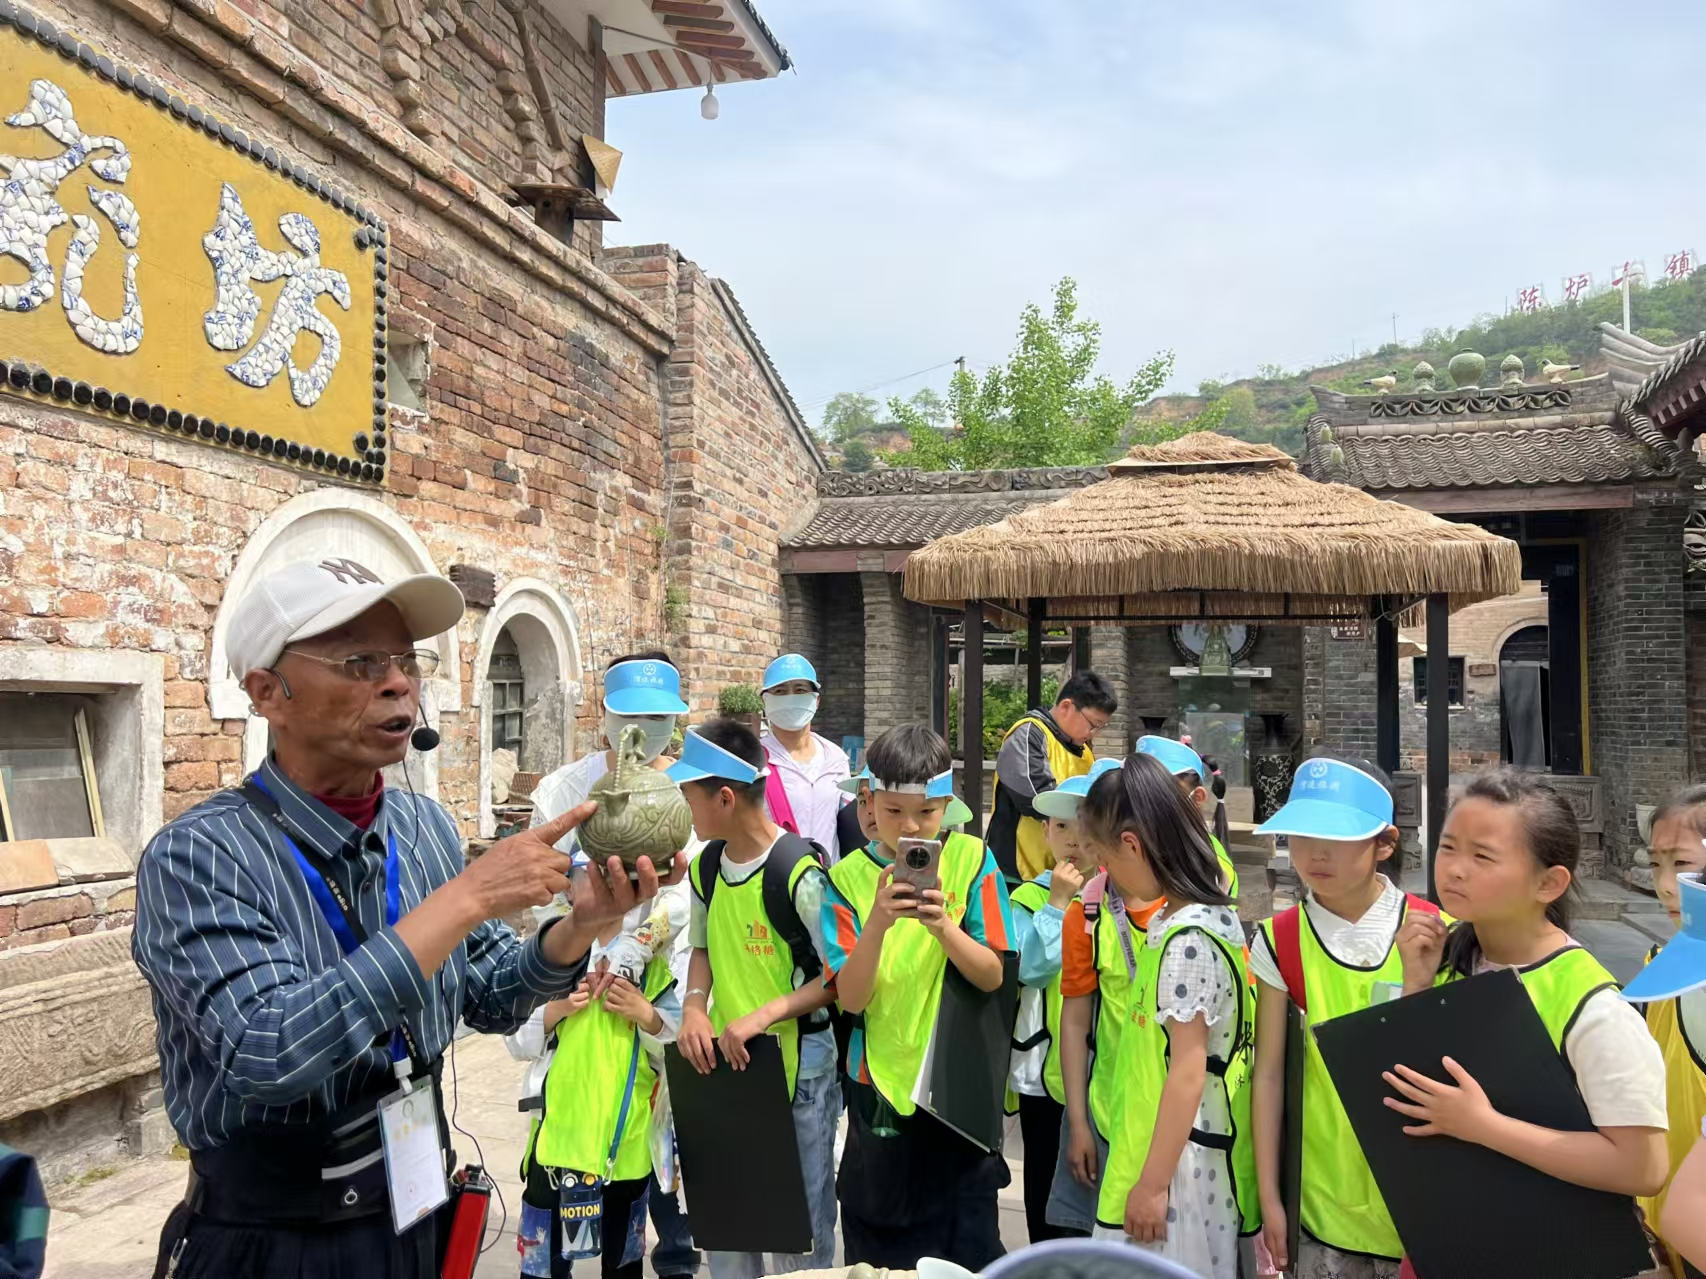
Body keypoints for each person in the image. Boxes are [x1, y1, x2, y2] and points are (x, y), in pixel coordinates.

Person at [132, 558, 683, 1278]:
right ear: (268, 692)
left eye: (406, 661)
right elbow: (267, 1051)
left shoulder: (421, 827)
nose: (398, 683)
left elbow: (489, 992)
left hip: (418, 1210)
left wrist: (580, 925)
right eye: (360, 662)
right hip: (274, 1238)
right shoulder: (201, 855)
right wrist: (468, 897)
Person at [1391, 769, 1667, 1265]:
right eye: (1448, 847)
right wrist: (1417, 988)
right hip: (1452, 1239)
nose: (1454, 869)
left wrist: (1485, 1127)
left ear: (1549, 883)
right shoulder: (1446, 955)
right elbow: (1413, 1093)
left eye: (1482, 856)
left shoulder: (1594, 1006)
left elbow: (1643, 1168)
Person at [525, 649, 699, 1278]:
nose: (644, 729)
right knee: (572, 1135)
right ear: (605, 713)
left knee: (655, 1155)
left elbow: (691, 897)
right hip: (577, 977)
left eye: (658, 716)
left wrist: (641, 948)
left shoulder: (689, 791)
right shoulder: (562, 792)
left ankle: (669, 1257)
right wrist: (585, 937)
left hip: (653, 988)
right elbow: (543, 891)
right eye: (632, 715)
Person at [822, 724, 1016, 1270]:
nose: (910, 827)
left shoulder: (973, 860)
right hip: (878, 1090)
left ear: (948, 805)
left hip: (956, 1092)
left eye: (926, 812)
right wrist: (877, 924)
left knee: (967, 1248)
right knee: (880, 1252)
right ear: (868, 802)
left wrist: (944, 927)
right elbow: (851, 999)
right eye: (893, 811)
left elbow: (992, 975)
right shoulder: (845, 879)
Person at [672, 720, 841, 1278]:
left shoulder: (799, 874)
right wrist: (694, 1006)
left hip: (798, 1077)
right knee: (730, 1226)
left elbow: (840, 977)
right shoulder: (707, 868)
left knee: (799, 1240)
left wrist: (765, 1015)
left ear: (724, 798)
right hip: (729, 1068)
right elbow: (702, 947)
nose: (686, 811)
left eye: (689, 797)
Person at [1247, 754, 1425, 1279]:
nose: (1315, 854)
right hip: (1321, 1206)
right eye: (1302, 835)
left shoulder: (1436, 933)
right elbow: (1268, 1074)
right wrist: (1270, 1197)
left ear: (1384, 843)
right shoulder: (1279, 940)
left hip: (1421, 1212)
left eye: (1336, 838)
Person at [1081, 755, 1255, 1276]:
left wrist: (1154, 1185)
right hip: (1172, 1161)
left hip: (1178, 1179)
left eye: (1105, 860)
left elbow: (1187, 1070)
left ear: (1132, 845)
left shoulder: (1188, 939)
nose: (1105, 874)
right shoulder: (1200, 919)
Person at [517, 917, 680, 1279]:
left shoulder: (649, 965)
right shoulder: (553, 957)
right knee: (541, 1270)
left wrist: (648, 1016)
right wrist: (557, 1009)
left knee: (623, 1266)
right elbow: (515, 1038)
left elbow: (677, 1048)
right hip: (554, 1152)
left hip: (625, 1154)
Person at [1048, 777, 1167, 1240]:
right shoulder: (1086, 913)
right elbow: (1075, 1021)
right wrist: (1079, 1123)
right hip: (1107, 1115)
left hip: (1177, 1122)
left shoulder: (1192, 909)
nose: (1091, 857)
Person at [1009, 758, 1118, 1244]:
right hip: (1043, 1075)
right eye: (1060, 827)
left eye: (1083, 825)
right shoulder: (1028, 898)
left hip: (1107, 1071)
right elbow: (1031, 968)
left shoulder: (1119, 897)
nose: (1073, 839)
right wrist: (1056, 904)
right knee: (1045, 1197)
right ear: (1045, 833)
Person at [1626, 787, 1706, 1278]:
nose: (1664, 886)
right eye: (1657, 864)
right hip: (1662, 1239)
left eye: (1682, 865)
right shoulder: (1657, 972)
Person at [989, 670, 1118, 884]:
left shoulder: (1084, 751)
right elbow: (1039, 799)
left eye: (1101, 727)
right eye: (1093, 724)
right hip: (1019, 874)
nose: (1094, 733)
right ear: (1066, 706)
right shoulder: (1029, 734)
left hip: (1066, 872)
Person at [759, 654, 853, 862]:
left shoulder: (835, 758)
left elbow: (849, 822)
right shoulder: (752, 759)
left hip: (828, 876)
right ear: (765, 700)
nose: (790, 697)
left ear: (816, 700)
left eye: (800, 690)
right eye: (780, 691)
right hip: (772, 876)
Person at [1134, 735, 1239, 901]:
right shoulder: (1131, 844)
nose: (1147, 801)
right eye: (1138, 791)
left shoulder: (1210, 866)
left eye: (1162, 792)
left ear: (1197, 797)